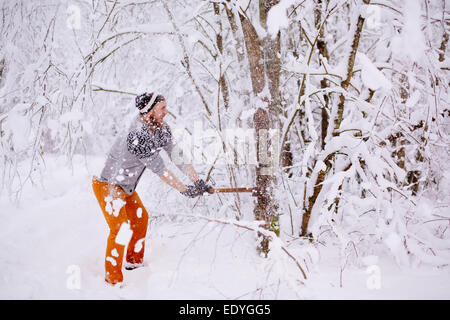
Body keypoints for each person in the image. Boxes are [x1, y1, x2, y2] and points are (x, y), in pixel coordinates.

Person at [92, 92, 213, 286]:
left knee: (140, 219)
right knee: (121, 227)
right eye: (162, 108)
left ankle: (133, 262)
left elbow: (176, 155)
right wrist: (183, 189)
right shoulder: (137, 134)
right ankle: (113, 278)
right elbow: (160, 169)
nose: (166, 111)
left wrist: (197, 181)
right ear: (150, 110)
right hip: (109, 186)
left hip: (127, 187)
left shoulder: (161, 129)